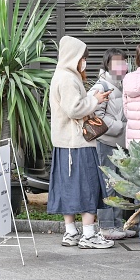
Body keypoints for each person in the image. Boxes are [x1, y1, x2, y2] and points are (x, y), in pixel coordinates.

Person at [48, 35, 114, 249]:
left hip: (65, 143)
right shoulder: (68, 78)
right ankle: (89, 235)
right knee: (87, 186)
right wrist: (96, 100)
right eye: (82, 57)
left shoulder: (61, 75)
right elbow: (74, 109)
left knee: (68, 187)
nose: (84, 60)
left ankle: (71, 232)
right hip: (77, 143)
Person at [89, 48, 133, 241]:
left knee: (121, 184)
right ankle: (107, 226)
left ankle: (119, 225)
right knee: (109, 184)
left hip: (122, 143)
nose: (121, 66)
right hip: (107, 142)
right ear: (107, 64)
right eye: (117, 62)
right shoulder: (101, 87)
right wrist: (121, 126)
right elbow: (96, 117)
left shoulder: (125, 85)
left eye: (123, 62)